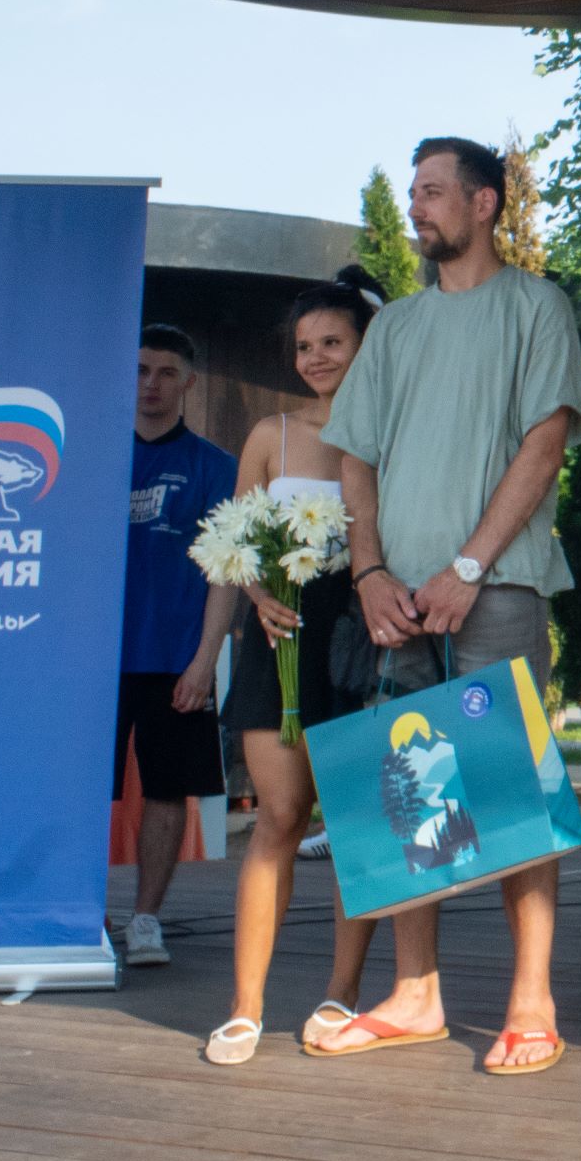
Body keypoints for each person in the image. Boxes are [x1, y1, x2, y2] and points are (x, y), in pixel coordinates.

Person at [316, 136, 581, 1074]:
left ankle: (531, 1002)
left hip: (498, 589)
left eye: (433, 191)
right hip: (396, 598)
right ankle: (416, 995)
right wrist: (368, 572)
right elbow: (356, 458)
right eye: (413, 192)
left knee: (514, 786)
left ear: (484, 203)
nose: (416, 206)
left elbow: (545, 444)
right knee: (410, 790)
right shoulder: (394, 327)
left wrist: (468, 566)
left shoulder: (536, 306)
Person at [204, 269, 388, 1066]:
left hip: (359, 640)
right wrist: (254, 597)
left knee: (351, 822)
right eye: (305, 346)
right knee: (278, 819)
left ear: (365, 345)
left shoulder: (391, 432)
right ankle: (245, 1008)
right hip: (277, 642)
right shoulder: (268, 434)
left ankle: (342, 992)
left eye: (333, 342)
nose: (316, 358)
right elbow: (232, 546)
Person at [114, 325, 239, 968]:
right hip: (95, 661)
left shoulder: (215, 467)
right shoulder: (95, 456)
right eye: (140, 370)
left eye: (166, 372)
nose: (151, 384)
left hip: (174, 657)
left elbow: (226, 573)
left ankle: (145, 920)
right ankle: (78, 914)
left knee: (167, 792)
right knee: (83, 791)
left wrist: (205, 660)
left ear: (188, 381)